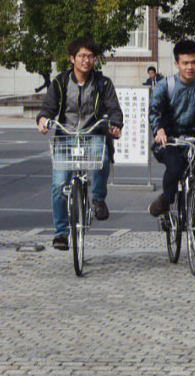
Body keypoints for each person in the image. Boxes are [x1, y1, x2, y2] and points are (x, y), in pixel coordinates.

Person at [36, 37, 124, 251]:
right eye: (82, 56)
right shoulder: (60, 82)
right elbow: (48, 107)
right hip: (66, 136)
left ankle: (98, 199)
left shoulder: (103, 83)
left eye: (91, 56)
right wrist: (42, 119)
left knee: (102, 159)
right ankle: (61, 233)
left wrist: (115, 124)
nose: (86, 60)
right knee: (59, 184)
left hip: (93, 133)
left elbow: (114, 109)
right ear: (72, 58)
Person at [146, 40, 195, 250]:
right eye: (185, 63)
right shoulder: (166, 86)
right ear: (176, 64)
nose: (189, 67)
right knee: (175, 167)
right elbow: (155, 111)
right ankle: (166, 199)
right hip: (170, 140)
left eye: (193, 62)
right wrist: (160, 130)